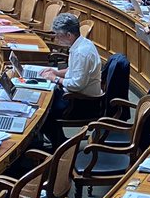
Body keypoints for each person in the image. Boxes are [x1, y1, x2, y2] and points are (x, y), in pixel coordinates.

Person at [39, 14, 103, 146]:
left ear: (69, 35)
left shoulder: (81, 52)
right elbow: (72, 70)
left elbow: (76, 85)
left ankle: (59, 147)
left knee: (43, 113)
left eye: (58, 35)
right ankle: (58, 141)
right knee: (42, 100)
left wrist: (54, 78)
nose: (56, 38)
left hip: (82, 102)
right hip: (76, 94)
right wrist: (56, 72)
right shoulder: (82, 43)